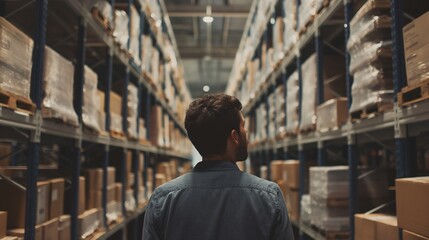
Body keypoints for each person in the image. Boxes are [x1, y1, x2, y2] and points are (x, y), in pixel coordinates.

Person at [142, 93, 295, 240]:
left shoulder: (163, 199)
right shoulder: (269, 197)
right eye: (243, 125)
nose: (246, 131)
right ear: (234, 137)